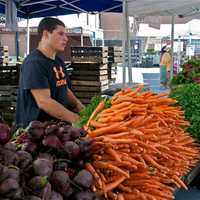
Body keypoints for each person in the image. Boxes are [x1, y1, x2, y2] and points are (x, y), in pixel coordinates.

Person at [16, 17, 84, 128]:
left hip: (56, 129)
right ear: (46, 34)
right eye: (60, 34)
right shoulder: (34, 63)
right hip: (35, 133)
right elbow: (44, 101)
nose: (66, 39)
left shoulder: (58, 61)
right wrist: (77, 119)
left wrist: (79, 107)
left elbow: (63, 87)